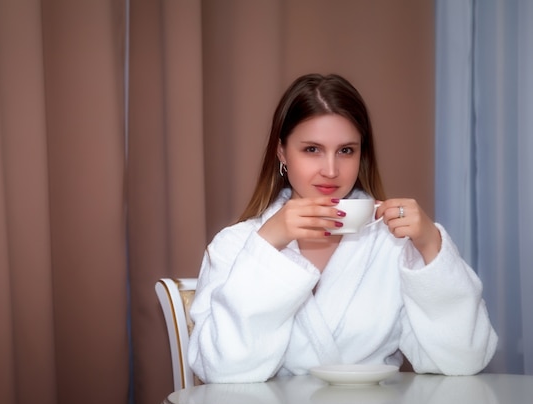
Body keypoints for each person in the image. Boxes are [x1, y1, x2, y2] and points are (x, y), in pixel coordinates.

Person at [187, 73, 497, 384]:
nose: (331, 170)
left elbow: (464, 359)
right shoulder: (235, 245)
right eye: (312, 149)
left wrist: (430, 244)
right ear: (282, 153)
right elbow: (222, 371)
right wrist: (268, 244)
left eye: (346, 150)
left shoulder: (392, 244)